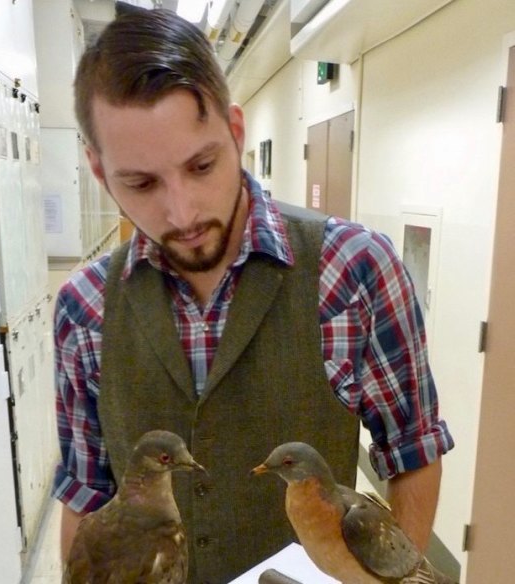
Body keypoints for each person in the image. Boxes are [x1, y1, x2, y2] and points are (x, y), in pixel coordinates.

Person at [53, 8, 454, 583]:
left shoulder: (357, 269)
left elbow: (414, 450)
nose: (182, 211)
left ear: (236, 132)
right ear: (98, 170)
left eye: (202, 164)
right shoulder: (84, 310)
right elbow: (86, 496)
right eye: (141, 183)